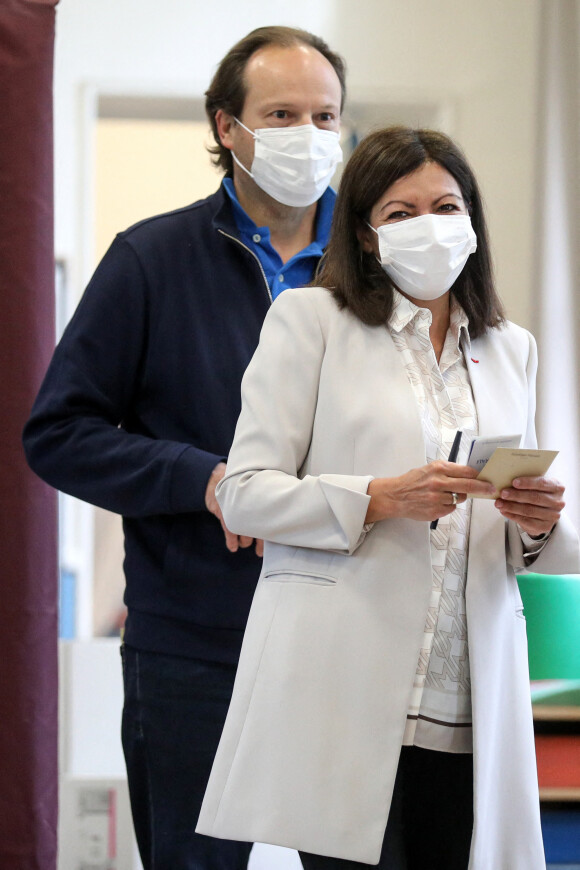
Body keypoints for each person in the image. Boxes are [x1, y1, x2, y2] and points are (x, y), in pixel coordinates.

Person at [196, 126, 580, 870]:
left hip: (471, 701)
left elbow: (513, 522)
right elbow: (242, 494)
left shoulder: (512, 348)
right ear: (367, 237)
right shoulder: (310, 322)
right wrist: (376, 496)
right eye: (400, 213)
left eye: (445, 205)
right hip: (347, 690)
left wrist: (536, 523)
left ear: (472, 223)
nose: (428, 225)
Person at [22, 25, 346, 870]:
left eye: (324, 116)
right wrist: (203, 481)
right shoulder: (150, 261)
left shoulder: (379, 265)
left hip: (353, 641)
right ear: (225, 127)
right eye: (281, 113)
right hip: (194, 645)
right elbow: (58, 434)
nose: (307, 137)